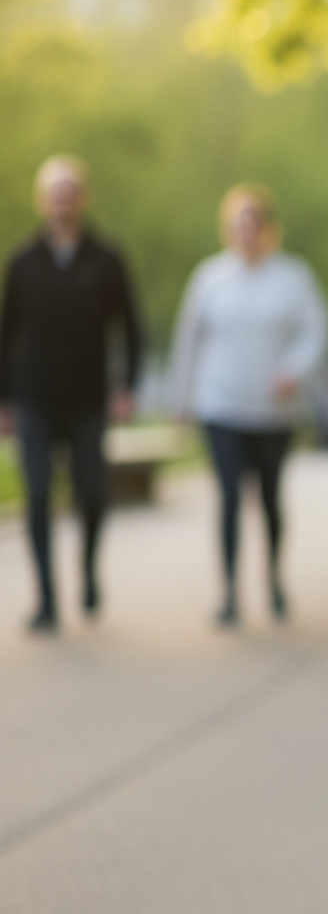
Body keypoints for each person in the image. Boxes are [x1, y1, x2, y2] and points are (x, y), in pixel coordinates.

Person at [171, 184, 328, 627]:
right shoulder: (210, 278)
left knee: (270, 498)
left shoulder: (292, 277)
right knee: (227, 499)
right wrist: (179, 399)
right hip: (220, 403)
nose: (248, 234)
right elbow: (190, 339)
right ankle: (229, 593)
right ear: (229, 230)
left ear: (268, 230)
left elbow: (314, 331)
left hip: (272, 411)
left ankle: (275, 579)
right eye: (240, 226)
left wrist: (294, 370)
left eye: (255, 225)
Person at [0, 155, 142, 633]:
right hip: (35, 398)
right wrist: (4, 400)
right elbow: (5, 333)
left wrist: (129, 386)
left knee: (92, 493)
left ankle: (88, 573)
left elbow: (131, 325)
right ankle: (46, 598)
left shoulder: (107, 258)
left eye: (70, 190)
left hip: (88, 397)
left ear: (83, 198)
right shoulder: (22, 261)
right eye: (54, 191)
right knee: (38, 494)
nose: (62, 199)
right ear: (44, 200)